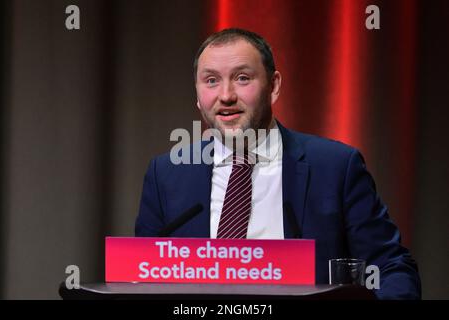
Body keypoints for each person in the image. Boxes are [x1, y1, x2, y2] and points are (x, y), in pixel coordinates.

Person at [135, 28, 421, 299]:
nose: (226, 96)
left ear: (273, 86)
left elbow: (391, 269)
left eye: (242, 78)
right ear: (198, 96)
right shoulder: (166, 174)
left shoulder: (336, 167)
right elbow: (141, 277)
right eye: (211, 80)